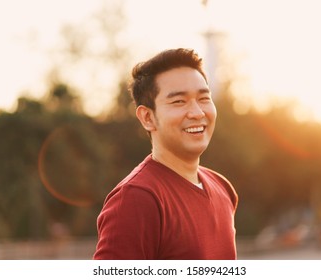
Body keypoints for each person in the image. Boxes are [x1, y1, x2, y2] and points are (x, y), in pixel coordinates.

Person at [93, 48, 238, 260]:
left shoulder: (222, 188)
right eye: (179, 101)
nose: (197, 112)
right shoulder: (136, 198)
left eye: (204, 98)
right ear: (147, 117)